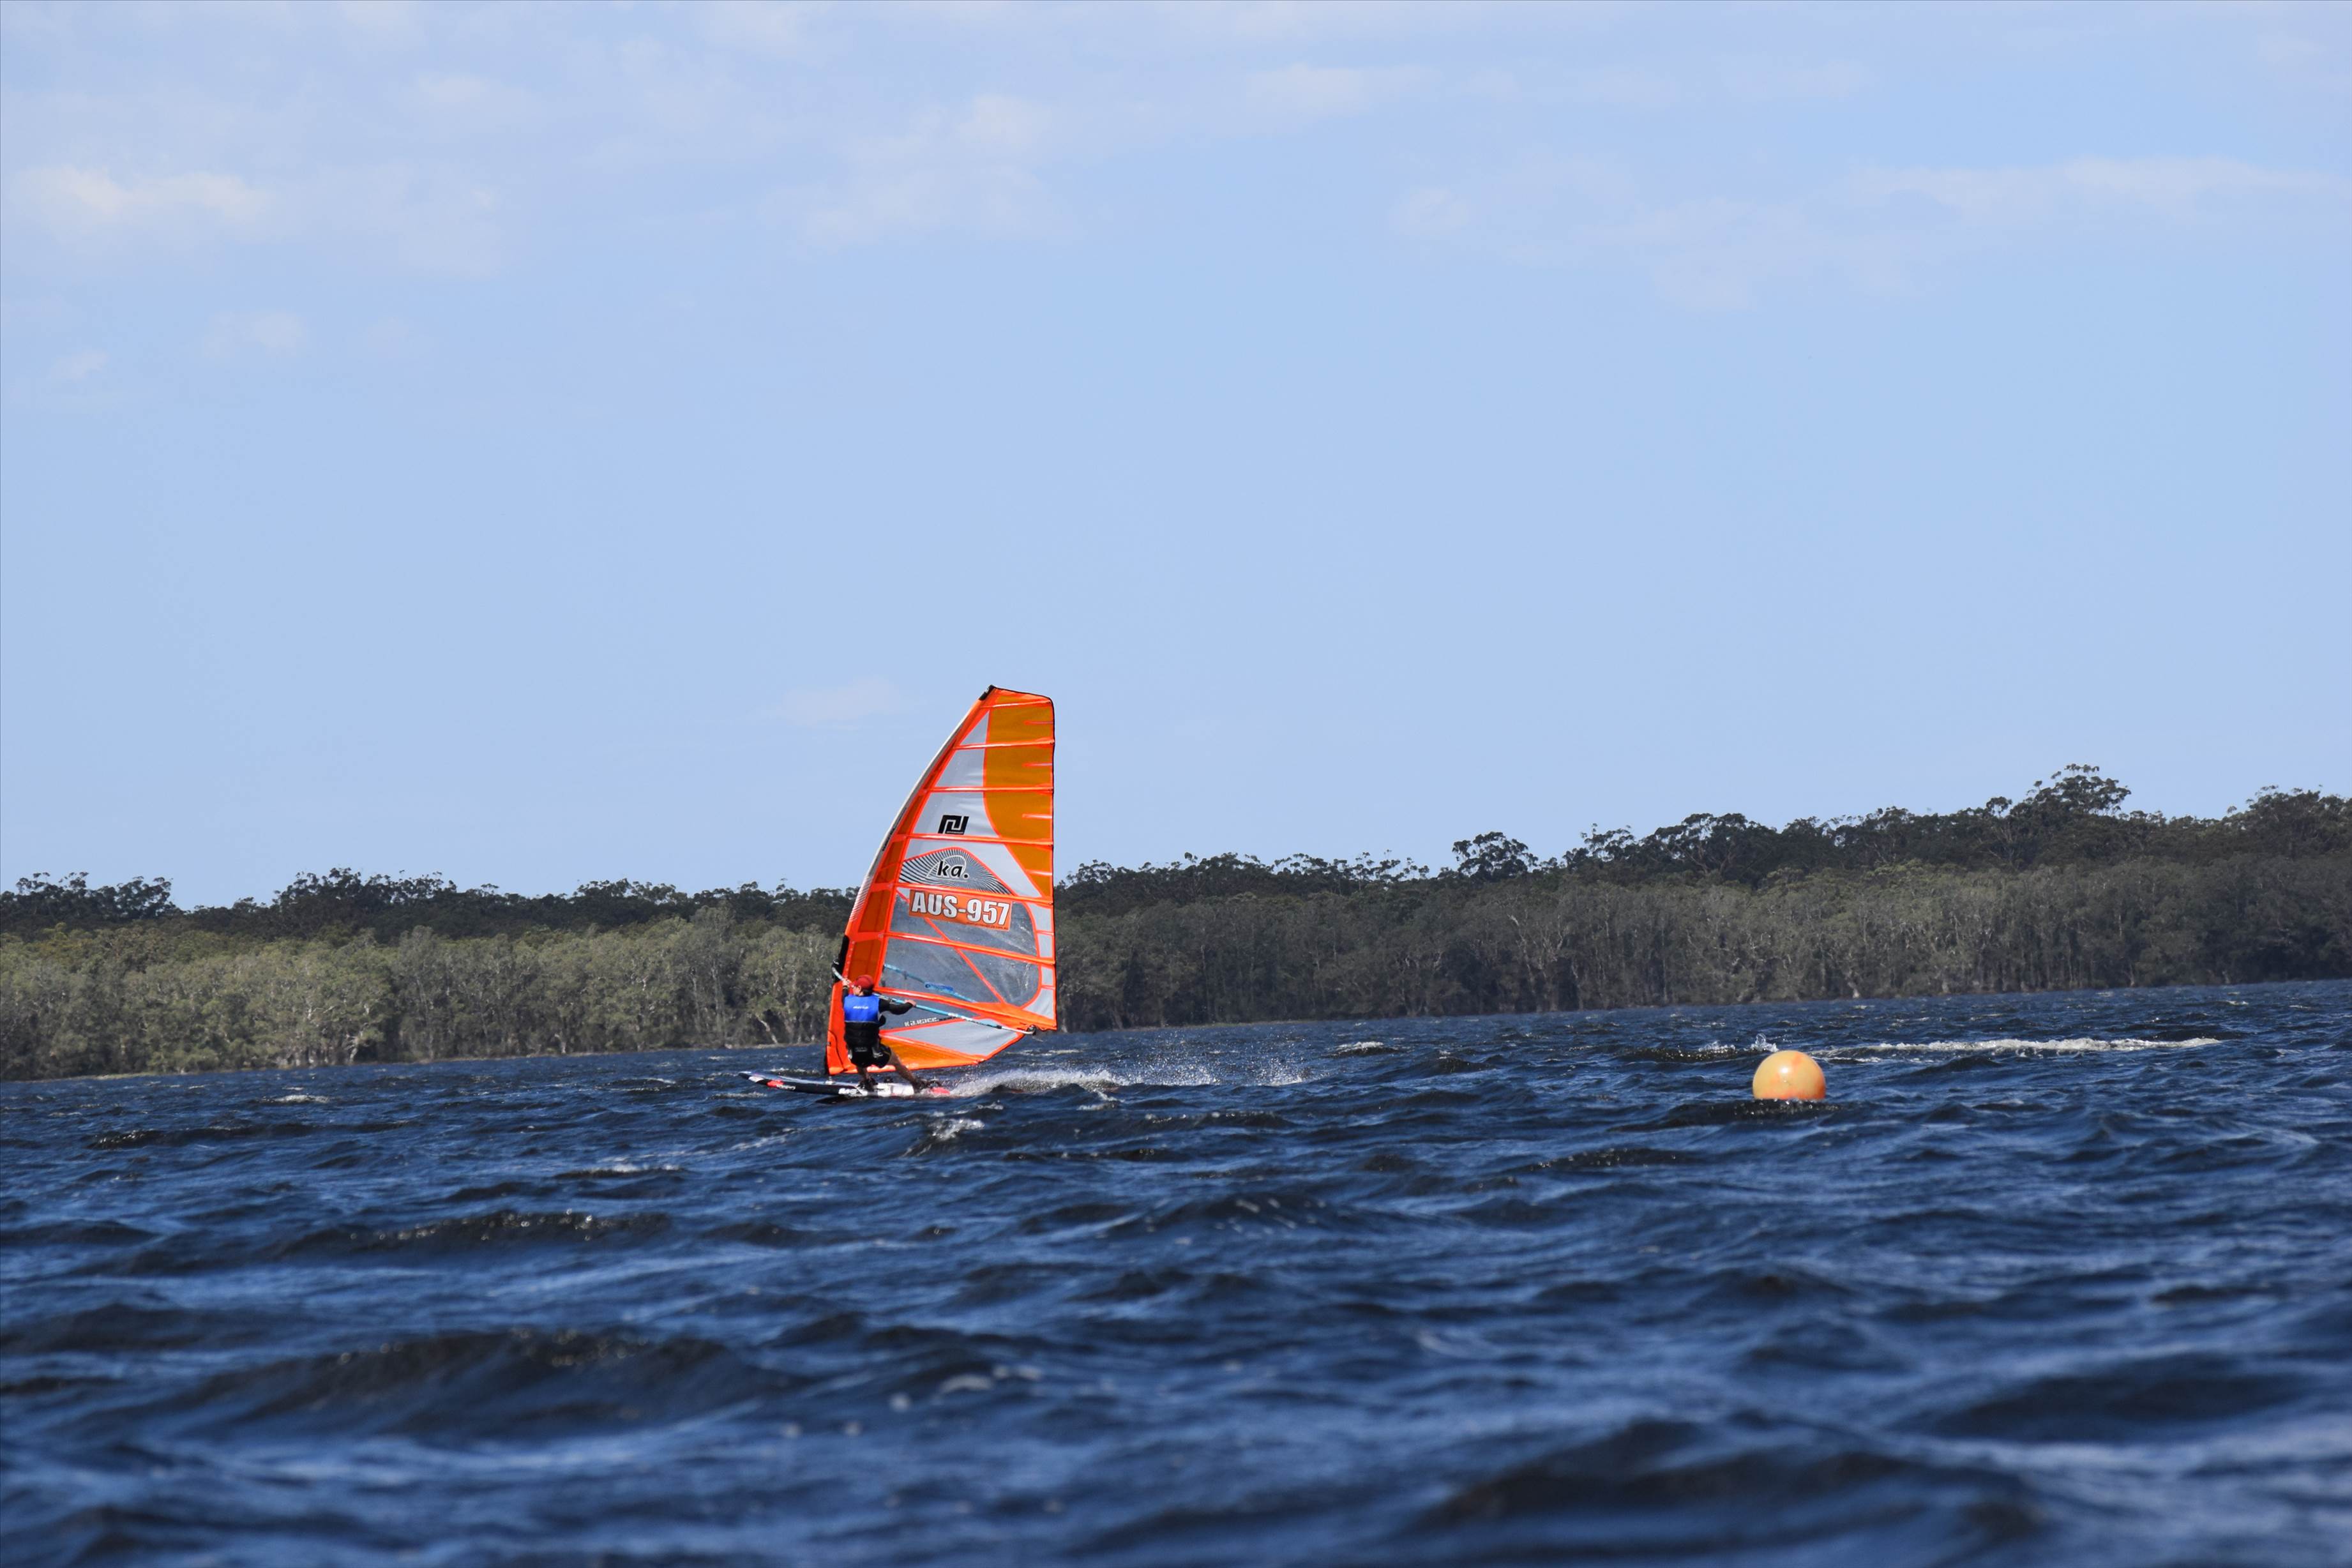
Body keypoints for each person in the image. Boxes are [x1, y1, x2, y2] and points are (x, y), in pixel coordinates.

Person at [841, 974, 925, 1092]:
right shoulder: (878, 1003)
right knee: (896, 1062)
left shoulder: (846, 1001)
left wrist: (845, 986)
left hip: (855, 1055)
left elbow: (844, 994)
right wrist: (910, 1004)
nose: (853, 988)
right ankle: (916, 1083)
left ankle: (867, 1081)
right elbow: (898, 1010)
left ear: (859, 989)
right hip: (875, 1054)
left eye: (854, 986)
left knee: (857, 1050)